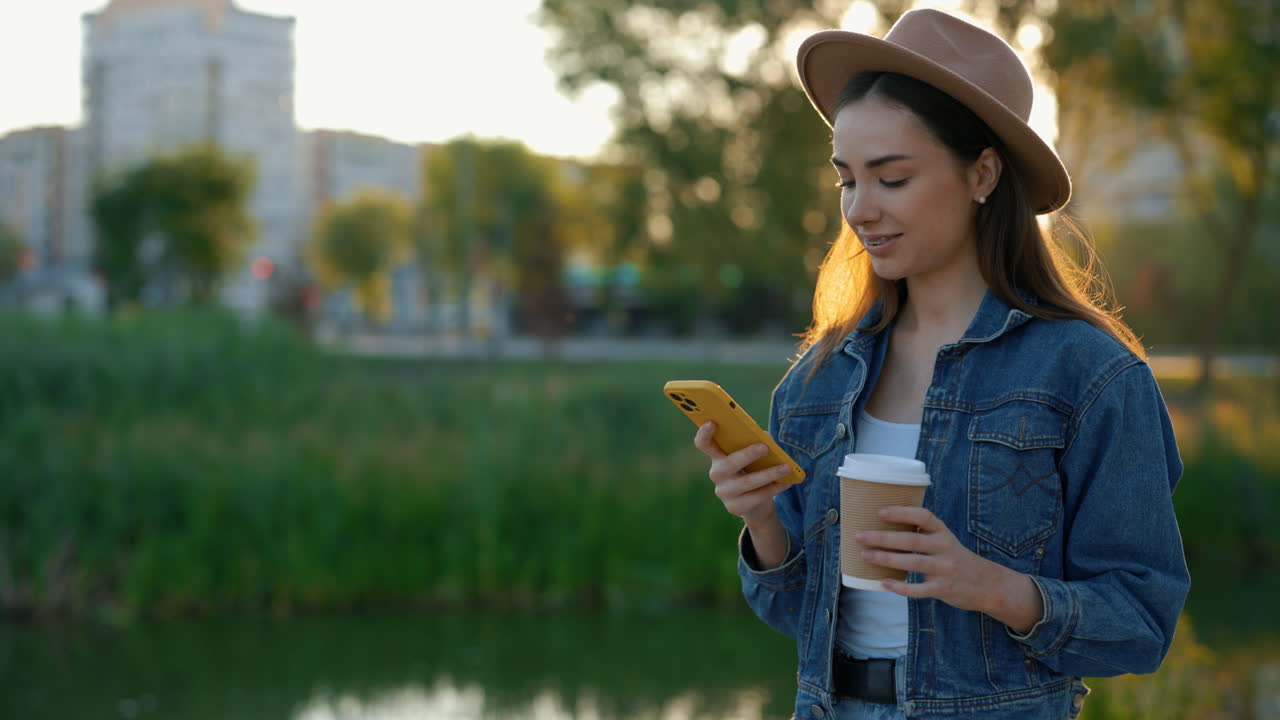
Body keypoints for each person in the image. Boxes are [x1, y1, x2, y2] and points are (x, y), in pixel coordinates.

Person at [691, 9, 1189, 720]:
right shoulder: (817, 378)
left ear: (983, 172)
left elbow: (1142, 624)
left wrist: (988, 585)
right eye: (847, 181)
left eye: (891, 179)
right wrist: (765, 525)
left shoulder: (1089, 374)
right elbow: (794, 614)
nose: (860, 210)